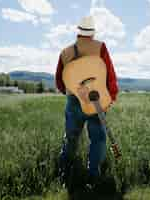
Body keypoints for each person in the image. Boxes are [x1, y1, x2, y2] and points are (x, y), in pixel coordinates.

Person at [55, 16, 119, 188]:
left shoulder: (65, 52)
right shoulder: (100, 47)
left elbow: (60, 82)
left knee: (71, 138)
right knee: (97, 139)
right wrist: (110, 97)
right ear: (92, 32)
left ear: (78, 32)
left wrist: (74, 95)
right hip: (96, 101)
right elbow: (110, 75)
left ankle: (64, 174)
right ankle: (93, 177)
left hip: (74, 101)